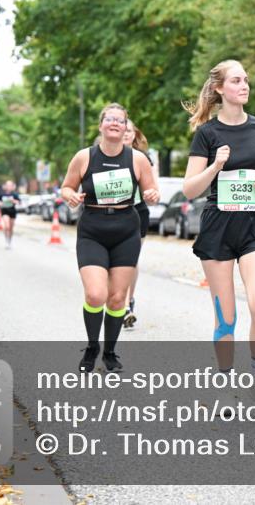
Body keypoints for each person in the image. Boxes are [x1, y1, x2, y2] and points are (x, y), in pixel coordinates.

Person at [183, 60, 255, 414]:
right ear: (220, 88)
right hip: (219, 228)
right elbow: (190, 189)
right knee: (226, 318)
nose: (245, 85)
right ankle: (225, 388)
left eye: (246, 80)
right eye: (237, 80)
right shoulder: (207, 134)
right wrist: (216, 166)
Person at [61, 103, 158, 372]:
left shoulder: (137, 159)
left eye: (120, 120)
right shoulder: (84, 157)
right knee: (95, 294)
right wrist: (70, 196)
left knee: (117, 298)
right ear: (101, 125)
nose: (115, 123)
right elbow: (67, 187)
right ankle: (92, 347)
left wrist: (152, 195)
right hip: (93, 228)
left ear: (126, 127)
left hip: (126, 230)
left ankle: (110, 353)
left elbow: (152, 191)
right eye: (110, 119)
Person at [121, 119, 156, 328]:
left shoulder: (143, 158)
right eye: (123, 130)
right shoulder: (103, 156)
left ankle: (127, 304)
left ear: (134, 134)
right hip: (112, 216)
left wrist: (152, 194)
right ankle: (120, 301)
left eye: (130, 131)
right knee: (115, 262)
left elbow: (152, 188)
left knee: (130, 260)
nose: (126, 133)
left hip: (137, 213)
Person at [0, 180, 21, 249]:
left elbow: (19, 202)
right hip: (5, 211)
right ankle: (6, 241)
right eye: (7, 185)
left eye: (10, 185)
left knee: (11, 228)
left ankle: (10, 241)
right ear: (5, 186)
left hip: (12, 211)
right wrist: (0, 204)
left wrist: (12, 200)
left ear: (12, 186)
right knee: (7, 226)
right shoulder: (2, 194)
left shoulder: (14, 194)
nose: (9, 187)